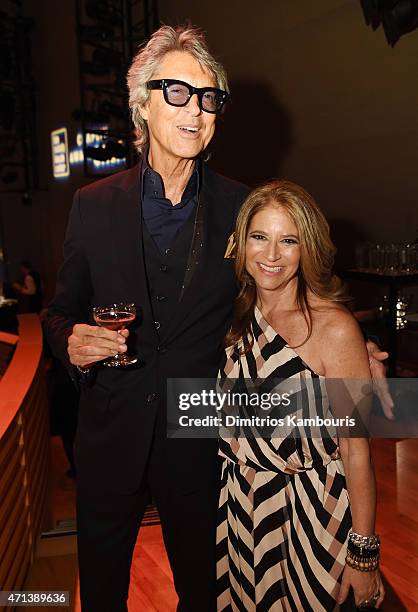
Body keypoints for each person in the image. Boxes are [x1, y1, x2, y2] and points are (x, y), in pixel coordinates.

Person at [45, 24, 388, 612]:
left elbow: (285, 285)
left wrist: (348, 349)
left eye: (207, 98)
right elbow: (59, 312)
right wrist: (71, 342)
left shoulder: (240, 206)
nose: (195, 110)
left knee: (203, 596)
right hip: (108, 439)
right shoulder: (92, 205)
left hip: (204, 445)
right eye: (176, 92)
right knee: (99, 595)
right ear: (141, 106)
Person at [217, 180, 385, 611]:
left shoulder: (334, 327)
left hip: (315, 514)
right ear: (240, 243)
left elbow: (356, 450)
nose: (271, 256)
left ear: (307, 247)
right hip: (243, 510)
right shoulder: (231, 317)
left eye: (287, 240)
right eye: (260, 237)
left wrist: (363, 554)